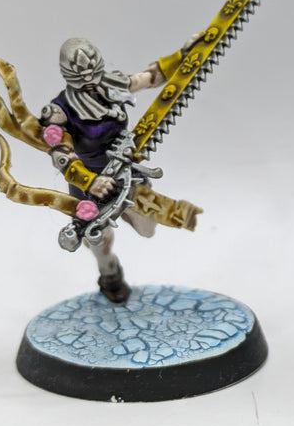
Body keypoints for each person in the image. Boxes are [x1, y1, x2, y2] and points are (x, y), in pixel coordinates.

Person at [40, 37, 197, 302]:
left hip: (126, 171)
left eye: (92, 72)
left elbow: (150, 77)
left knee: (148, 229)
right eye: (81, 75)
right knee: (97, 239)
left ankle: (126, 215)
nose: (89, 81)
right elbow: (61, 154)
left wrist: (183, 55)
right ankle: (109, 273)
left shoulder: (113, 84)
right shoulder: (58, 111)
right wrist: (89, 181)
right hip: (89, 183)